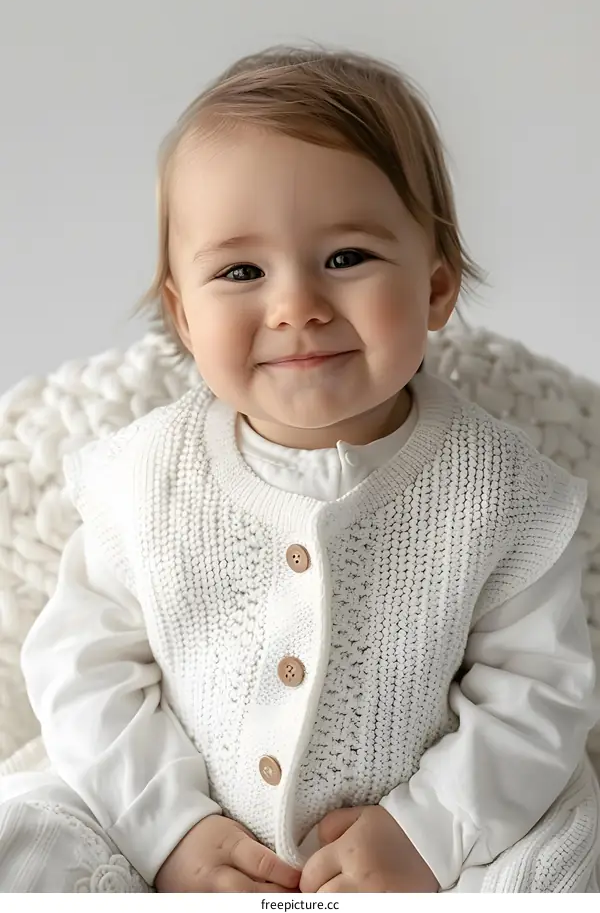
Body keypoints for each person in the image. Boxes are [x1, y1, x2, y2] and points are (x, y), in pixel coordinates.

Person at [1, 47, 599, 894]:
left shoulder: (499, 490)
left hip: (421, 855)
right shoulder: (147, 480)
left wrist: (426, 831)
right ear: (180, 312)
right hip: (166, 832)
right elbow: (81, 670)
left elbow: (540, 696)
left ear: (435, 286)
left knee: (562, 863)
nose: (296, 305)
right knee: (25, 835)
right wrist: (169, 830)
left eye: (347, 257)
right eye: (241, 271)